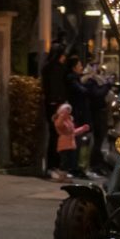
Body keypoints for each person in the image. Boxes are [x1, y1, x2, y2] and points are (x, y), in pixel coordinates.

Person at [40, 42, 67, 179]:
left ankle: (54, 165)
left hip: (54, 104)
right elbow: (55, 88)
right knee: (55, 137)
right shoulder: (55, 69)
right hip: (55, 105)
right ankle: (52, 166)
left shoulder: (49, 68)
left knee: (56, 136)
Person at [52, 103, 89, 181]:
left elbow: (73, 132)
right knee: (64, 161)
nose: (68, 111)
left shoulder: (69, 120)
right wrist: (62, 116)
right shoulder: (60, 119)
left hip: (71, 144)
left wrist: (82, 129)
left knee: (68, 161)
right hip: (64, 143)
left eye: (68, 110)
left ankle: (64, 176)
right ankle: (61, 176)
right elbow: (59, 125)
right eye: (66, 109)